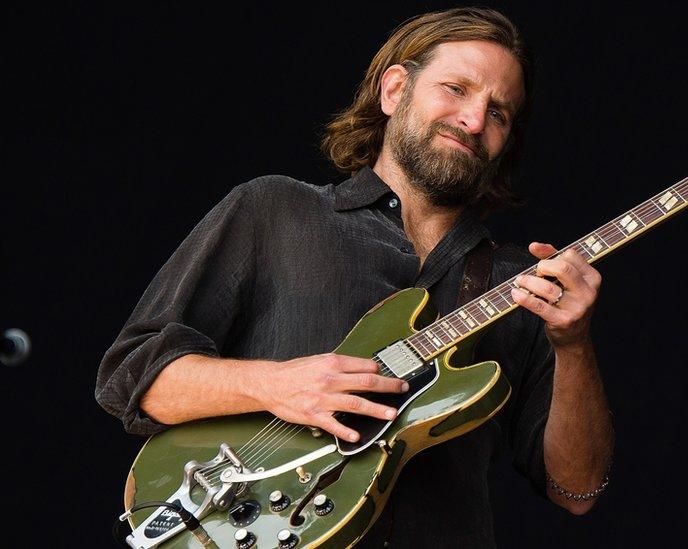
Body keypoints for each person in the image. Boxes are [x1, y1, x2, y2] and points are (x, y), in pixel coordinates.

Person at [96, 7, 613, 547]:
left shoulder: (520, 287)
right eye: (455, 89)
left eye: (500, 113)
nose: (475, 120)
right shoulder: (275, 210)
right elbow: (133, 378)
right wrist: (279, 385)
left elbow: (576, 488)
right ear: (394, 90)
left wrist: (573, 344)